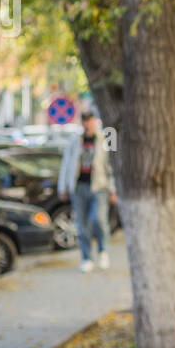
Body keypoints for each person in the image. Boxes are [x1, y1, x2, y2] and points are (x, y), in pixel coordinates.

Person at [57, 107, 116, 273]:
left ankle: (103, 251)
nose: (87, 123)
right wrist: (63, 187)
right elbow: (66, 165)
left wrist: (113, 189)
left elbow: (110, 166)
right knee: (81, 225)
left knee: (98, 219)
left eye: (89, 120)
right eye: (84, 120)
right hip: (79, 187)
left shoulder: (104, 139)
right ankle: (86, 258)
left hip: (99, 186)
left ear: (94, 122)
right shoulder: (75, 141)